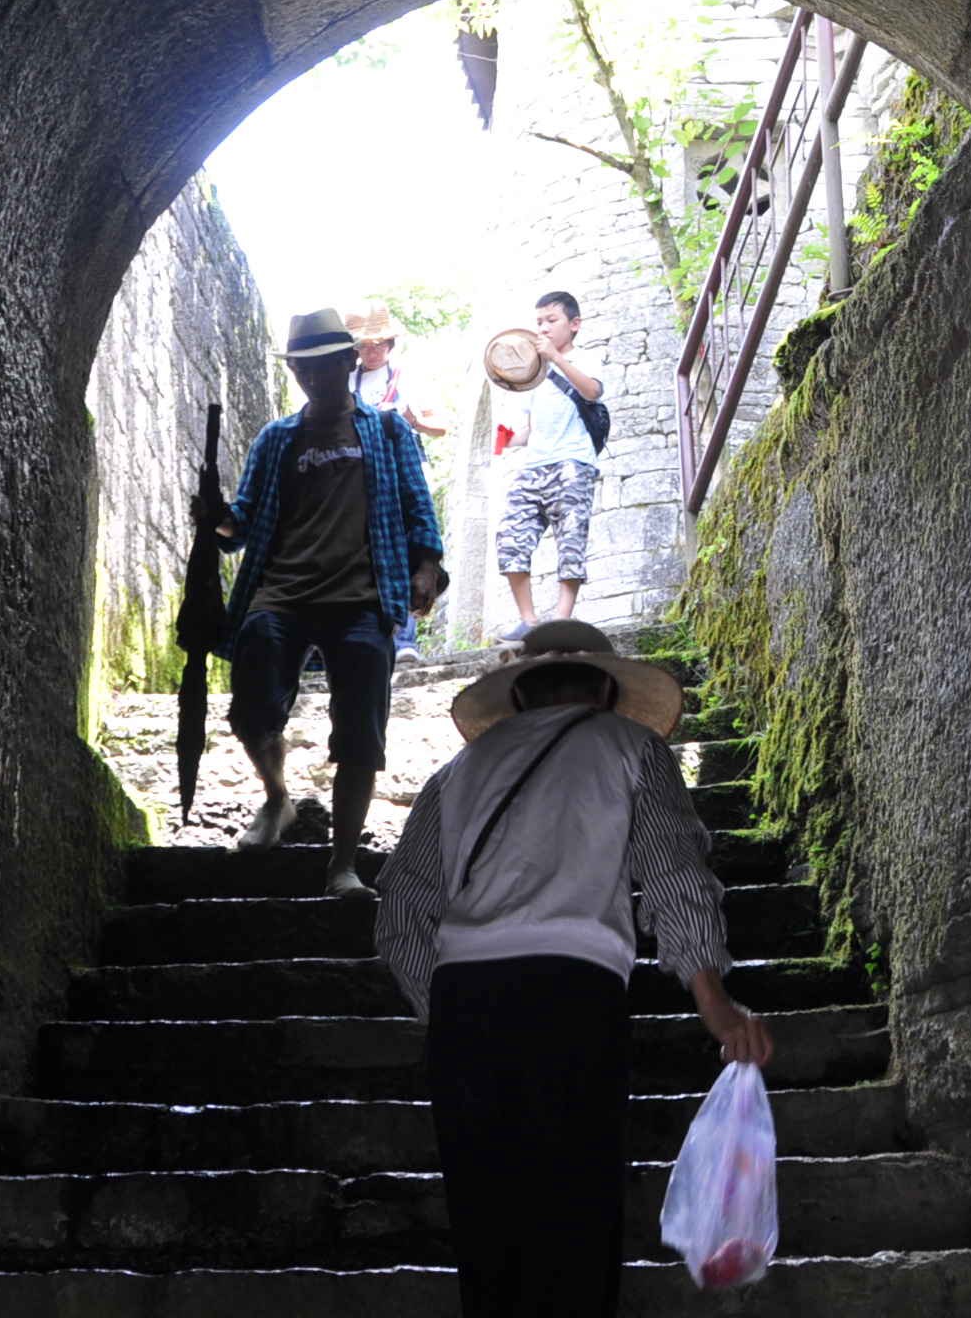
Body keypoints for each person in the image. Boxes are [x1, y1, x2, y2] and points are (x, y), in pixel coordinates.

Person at [376, 621, 772, 1318]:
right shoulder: (631, 746)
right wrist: (713, 1001)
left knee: (486, 1221)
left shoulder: (454, 775)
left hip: (467, 1003)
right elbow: (673, 869)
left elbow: (402, 912)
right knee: (574, 1212)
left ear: (522, 694)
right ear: (604, 689)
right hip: (572, 994)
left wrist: (448, 1018)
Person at [192, 307, 446, 887]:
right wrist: (217, 519)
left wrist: (426, 565)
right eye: (301, 368)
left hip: (362, 595)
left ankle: (343, 863)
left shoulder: (385, 430)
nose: (312, 377)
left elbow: (416, 504)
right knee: (252, 700)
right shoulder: (278, 438)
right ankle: (276, 797)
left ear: (348, 361)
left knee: (361, 728)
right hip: (280, 591)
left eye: (322, 365)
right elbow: (245, 519)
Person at [493, 289, 605, 641]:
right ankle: (529, 620)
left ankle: (561, 617)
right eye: (539, 321)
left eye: (551, 321)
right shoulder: (532, 373)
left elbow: (592, 392)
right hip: (534, 466)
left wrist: (555, 357)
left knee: (570, 540)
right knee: (510, 539)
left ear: (574, 325)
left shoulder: (587, 357)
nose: (543, 328)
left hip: (573, 462)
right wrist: (506, 439)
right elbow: (526, 429)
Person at [346, 302, 449, 663]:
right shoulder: (346, 381)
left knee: (408, 549)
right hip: (360, 480)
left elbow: (441, 425)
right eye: (363, 345)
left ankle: (406, 638)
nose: (371, 351)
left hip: (403, 476)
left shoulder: (406, 380)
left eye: (378, 344)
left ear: (390, 345)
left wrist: (415, 420)